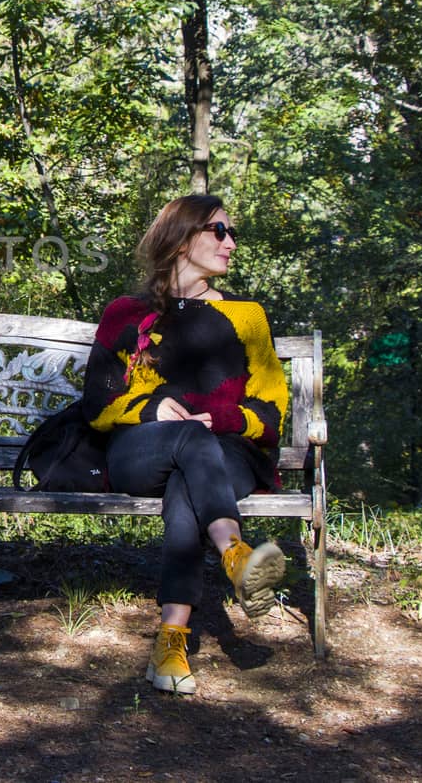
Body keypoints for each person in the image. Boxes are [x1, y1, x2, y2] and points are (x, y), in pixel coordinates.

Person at [80, 193, 289, 695]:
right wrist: (152, 409)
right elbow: (97, 404)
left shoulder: (248, 317)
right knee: (184, 446)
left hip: (226, 455)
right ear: (181, 239)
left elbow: (272, 411)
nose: (231, 243)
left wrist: (215, 415)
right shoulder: (126, 314)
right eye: (220, 231)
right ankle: (234, 553)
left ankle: (171, 639)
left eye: (232, 233)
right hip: (142, 447)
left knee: (187, 489)